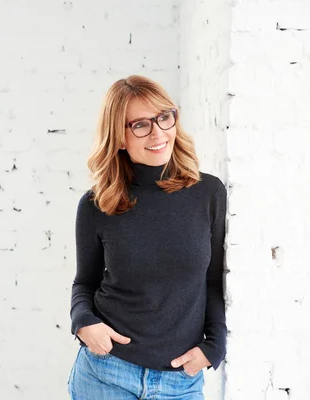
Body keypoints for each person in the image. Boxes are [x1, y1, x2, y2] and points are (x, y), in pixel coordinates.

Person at [67, 75, 227, 400]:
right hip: (106, 373)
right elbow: (84, 283)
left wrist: (215, 346)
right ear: (120, 137)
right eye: (140, 124)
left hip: (180, 382)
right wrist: (83, 322)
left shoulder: (207, 193)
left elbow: (212, 281)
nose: (158, 133)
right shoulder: (98, 204)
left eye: (164, 117)